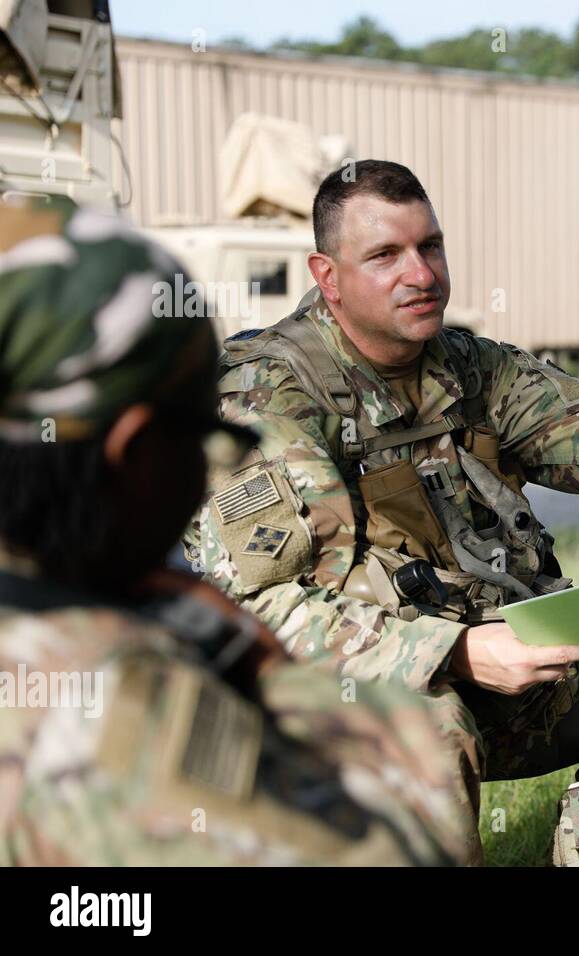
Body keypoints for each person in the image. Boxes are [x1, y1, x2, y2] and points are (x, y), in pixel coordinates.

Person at [189, 161, 579, 811]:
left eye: (430, 246)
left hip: (493, 658)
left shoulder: (468, 366)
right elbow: (258, 612)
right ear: (327, 276)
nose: (421, 274)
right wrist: (455, 654)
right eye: (385, 255)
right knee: (429, 732)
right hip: (342, 689)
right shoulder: (266, 393)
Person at [0, 197, 473, 865]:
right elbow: (405, 845)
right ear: (137, 454)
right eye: (206, 438)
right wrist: (272, 675)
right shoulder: (125, 712)